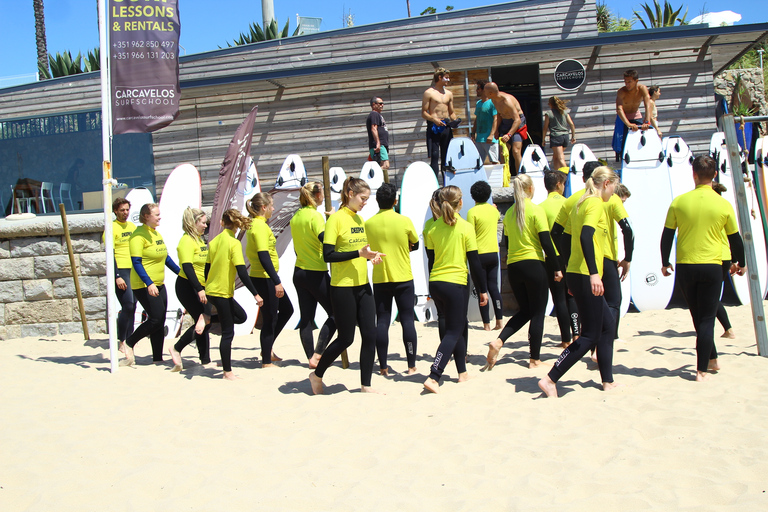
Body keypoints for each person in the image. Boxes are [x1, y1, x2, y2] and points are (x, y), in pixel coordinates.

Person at [538, 167, 622, 397]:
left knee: (606, 327)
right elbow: (585, 236)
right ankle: (550, 378)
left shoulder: (579, 201)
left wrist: (567, 267)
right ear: (606, 183)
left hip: (577, 272)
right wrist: (594, 273)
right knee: (590, 335)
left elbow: (562, 236)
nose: (614, 191)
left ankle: (608, 381)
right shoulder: (594, 202)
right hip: (586, 274)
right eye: (614, 185)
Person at [660, 155, 745, 382]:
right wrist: (741, 262)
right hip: (712, 265)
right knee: (706, 318)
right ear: (714, 175)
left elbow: (667, 235)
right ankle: (701, 370)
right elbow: (735, 239)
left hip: (686, 266)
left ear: (694, 174)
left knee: (698, 316)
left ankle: (713, 359)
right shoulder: (723, 204)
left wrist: (664, 261)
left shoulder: (679, 202)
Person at [309, 177, 385, 395]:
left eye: (367, 199)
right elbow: (328, 254)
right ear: (350, 193)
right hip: (342, 287)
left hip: (363, 284)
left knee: (371, 334)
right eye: (362, 198)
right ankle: (317, 374)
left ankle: (366, 385)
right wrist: (358, 253)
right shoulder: (336, 220)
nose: (365, 202)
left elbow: (359, 251)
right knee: (346, 338)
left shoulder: (359, 220)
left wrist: (370, 257)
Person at [484, 174, 562, 370]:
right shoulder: (536, 210)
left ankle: (499, 341)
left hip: (514, 267)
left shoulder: (510, 213)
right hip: (534, 264)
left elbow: (506, 244)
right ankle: (534, 358)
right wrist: (557, 268)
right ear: (529, 189)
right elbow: (546, 242)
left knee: (525, 311)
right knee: (537, 313)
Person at [423, 185, 488, 393]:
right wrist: (483, 290)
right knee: (454, 330)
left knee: (456, 328)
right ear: (460, 203)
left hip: (436, 282)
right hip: (455, 282)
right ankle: (434, 375)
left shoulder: (432, 228)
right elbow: (474, 263)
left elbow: (430, 262)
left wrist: (430, 287)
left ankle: (462, 373)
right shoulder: (466, 227)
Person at [366, 183, 420, 375]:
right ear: (395, 201)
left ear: (377, 201)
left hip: (381, 277)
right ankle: (412, 365)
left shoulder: (369, 223)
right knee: (407, 319)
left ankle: (383, 366)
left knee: (382, 321)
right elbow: (416, 242)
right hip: (403, 276)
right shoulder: (404, 220)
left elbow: (367, 249)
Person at [205, 209, 264, 380]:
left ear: (222, 223)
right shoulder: (234, 243)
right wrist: (256, 294)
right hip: (222, 292)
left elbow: (207, 269)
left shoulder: (214, 241)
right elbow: (242, 272)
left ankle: (208, 320)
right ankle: (227, 372)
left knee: (240, 316)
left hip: (212, 290)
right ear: (237, 226)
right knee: (228, 334)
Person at [122, 203, 180, 366]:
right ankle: (129, 342)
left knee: (160, 320)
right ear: (146, 216)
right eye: (156, 214)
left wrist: (180, 273)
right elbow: (136, 262)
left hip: (159, 283)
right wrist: (149, 283)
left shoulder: (155, 234)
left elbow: (166, 258)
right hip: (144, 285)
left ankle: (157, 358)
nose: (159, 217)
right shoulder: (138, 236)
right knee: (155, 318)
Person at [290, 182, 337, 368]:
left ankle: (311, 357)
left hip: (299, 270)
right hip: (315, 271)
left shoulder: (296, 217)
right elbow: (326, 241)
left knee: (307, 318)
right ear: (316, 196)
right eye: (323, 194)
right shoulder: (315, 216)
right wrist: (332, 220)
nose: (324, 197)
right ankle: (318, 352)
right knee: (336, 313)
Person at [246, 192, 294, 368]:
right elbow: (263, 255)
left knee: (287, 309)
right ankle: (266, 360)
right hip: (264, 278)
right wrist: (276, 281)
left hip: (266, 277)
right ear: (264, 207)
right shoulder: (258, 226)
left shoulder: (260, 225)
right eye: (271, 205)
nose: (273, 209)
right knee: (270, 318)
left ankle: (267, 349)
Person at [538, 171, 579, 348]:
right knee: (572, 297)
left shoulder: (540, 207)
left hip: (551, 258)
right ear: (559, 185)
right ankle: (577, 333)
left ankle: (565, 339)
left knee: (559, 299)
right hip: (570, 255)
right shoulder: (569, 203)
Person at [168, 208, 211, 371]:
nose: (206, 225)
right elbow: (187, 267)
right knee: (203, 319)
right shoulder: (186, 240)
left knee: (204, 320)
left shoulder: (199, 240)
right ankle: (177, 348)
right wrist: (199, 289)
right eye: (203, 222)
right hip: (187, 286)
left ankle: (205, 360)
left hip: (200, 286)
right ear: (193, 223)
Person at [466, 180, 502, 331]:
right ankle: (500, 321)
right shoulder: (494, 210)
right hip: (493, 253)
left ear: (473, 196)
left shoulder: (472, 212)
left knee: (482, 289)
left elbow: (469, 235)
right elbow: (498, 221)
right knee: (494, 288)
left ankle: (486, 324)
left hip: (478, 255)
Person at [602, 181, 634, 342]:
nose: (622, 206)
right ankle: (611, 337)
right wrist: (627, 259)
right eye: (623, 202)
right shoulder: (612, 202)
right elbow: (629, 231)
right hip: (606, 257)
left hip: (590, 258)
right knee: (614, 301)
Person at [104, 197, 136, 353]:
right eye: (122, 210)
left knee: (134, 306)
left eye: (127, 209)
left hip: (134, 270)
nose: (125, 213)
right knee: (127, 305)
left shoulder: (132, 226)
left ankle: (130, 340)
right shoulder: (111, 227)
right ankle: (122, 340)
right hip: (121, 270)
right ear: (115, 211)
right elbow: (110, 254)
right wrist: (117, 275)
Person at [422, 67, 459, 182]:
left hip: (446, 125)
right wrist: (434, 119)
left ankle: (446, 183)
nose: (448, 80)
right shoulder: (429, 93)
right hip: (434, 126)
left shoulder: (449, 94)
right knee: (434, 156)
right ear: (439, 77)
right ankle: (434, 183)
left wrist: (455, 120)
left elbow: (451, 112)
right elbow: (423, 112)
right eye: (446, 77)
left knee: (446, 156)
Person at [484, 82, 526, 176]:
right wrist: (496, 130)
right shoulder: (494, 100)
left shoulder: (507, 101)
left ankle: (520, 176)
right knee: (503, 152)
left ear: (491, 93)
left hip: (517, 123)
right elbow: (499, 115)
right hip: (506, 123)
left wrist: (509, 134)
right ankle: (505, 176)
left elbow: (517, 120)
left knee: (516, 151)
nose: (484, 94)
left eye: (485, 92)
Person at [711, 182, 736, 339]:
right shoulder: (724, 207)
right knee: (712, 294)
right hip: (725, 256)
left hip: (714, 257)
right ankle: (725, 328)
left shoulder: (710, 210)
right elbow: (733, 237)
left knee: (711, 296)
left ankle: (728, 329)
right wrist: (735, 260)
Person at [612, 69, 652, 160]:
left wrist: (647, 121)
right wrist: (628, 124)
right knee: (622, 143)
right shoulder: (621, 92)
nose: (627, 84)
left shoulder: (642, 89)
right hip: (623, 118)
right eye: (625, 82)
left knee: (641, 138)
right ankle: (623, 158)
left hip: (636, 115)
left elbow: (647, 104)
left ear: (636, 81)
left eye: (629, 82)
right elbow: (619, 109)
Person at [542, 96, 576, 170]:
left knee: (560, 158)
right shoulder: (564, 112)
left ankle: (568, 175)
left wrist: (543, 139)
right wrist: (573, 136)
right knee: (555, 157)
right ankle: (557, 174)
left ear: (551, 104)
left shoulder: (549, 114)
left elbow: (545, 128)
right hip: (565, 137)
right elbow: (572, 124)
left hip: (556, 137)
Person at [472, 80, 500, 164]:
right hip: (479, 138)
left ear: (484, 90)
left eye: (478, 88)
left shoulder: (492, 102)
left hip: (489, 139)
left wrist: (492, 134)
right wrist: (473, 133)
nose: (476, 91)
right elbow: (477, 118)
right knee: (478, 163)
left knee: (494, 161)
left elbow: (496, 118)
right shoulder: (478, 103)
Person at [367, 96, 390, 174]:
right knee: (385, 165)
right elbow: (373, 128)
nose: (382, 105)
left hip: (381, 145)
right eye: (380, 103)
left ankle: (378, 181)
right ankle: (375, 179)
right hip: (379, 146)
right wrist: (378, 143)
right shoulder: (374, 114)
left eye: (383, 103)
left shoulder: (377, 115)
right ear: (374, 104)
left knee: (380, 165)